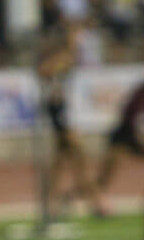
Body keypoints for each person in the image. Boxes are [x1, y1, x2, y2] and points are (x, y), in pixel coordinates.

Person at [38, 23, 107, 220]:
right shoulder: (62, 57)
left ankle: (54, 204)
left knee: (61, 162)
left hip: (69, 114)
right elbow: (44, 72)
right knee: (79, 159)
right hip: (63, 114)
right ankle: (96, 202)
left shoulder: (72, 57)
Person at [95, 79, 144, 204]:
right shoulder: (137, 104)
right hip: (122, 139)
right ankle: (91, 196)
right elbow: (136, 126)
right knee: (106, 174)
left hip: (128, 139)